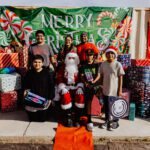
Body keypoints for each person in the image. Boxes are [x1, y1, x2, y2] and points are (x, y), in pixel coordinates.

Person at [100, 46, 125, 130]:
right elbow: (101, 76)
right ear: (106, 55)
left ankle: (115, 122)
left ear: (114, 55)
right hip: (106, 89)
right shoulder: (103, 64)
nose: (110, 55)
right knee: (106, 106)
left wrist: (120, 90)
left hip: (114, 90)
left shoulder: (118, 64)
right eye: (108, 53)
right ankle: (107, 120)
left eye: (112, 53)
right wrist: (101, 87)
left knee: (115, 106)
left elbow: (121, 77)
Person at [57, 52, 85, 127]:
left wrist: (80, 87)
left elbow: (82, 79)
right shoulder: (63, 67)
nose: (71, 60)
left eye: (73, 58)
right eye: (70, 58)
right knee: (65, 96)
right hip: (66, 86)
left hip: (76, 87)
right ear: (67, 58)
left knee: (80, 96)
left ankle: (77, 119)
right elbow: (59, 77)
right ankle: (68, 118)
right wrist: (62, 87)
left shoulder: (79, 67)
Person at [23, 55, 55, 121]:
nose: (37, 64)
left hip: (43, 100)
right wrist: (25, 90)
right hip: (31, 99)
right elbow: (25, 84)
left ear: (42, 63)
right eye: (35, 62)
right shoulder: (29, 73)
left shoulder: (47, 73)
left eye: (39, 62)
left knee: (41, 120)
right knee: (32, 119)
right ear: (32, 63)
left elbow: (51, 86)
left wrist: (50, 99)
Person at [79, 49, 101, 131]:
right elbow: (81, 75)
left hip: (94, 85)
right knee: (87, 102)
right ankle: (87, 118)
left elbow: (98, 75)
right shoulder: (83, 65)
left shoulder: (96, 65)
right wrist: (85, 82)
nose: (89, 56)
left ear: (93, 56)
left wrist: (94, 82)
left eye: (91, 55)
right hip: (86, 86)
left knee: (99, 99)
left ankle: (92, 118)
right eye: (88, 55)